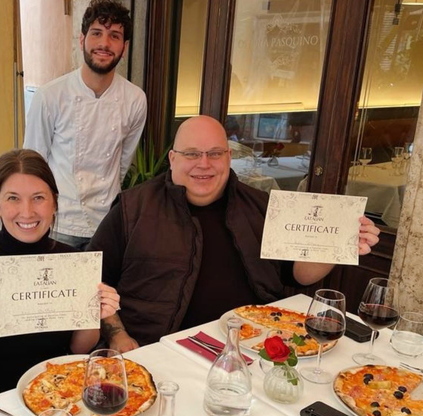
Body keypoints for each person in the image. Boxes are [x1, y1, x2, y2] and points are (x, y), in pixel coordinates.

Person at [88, 115, 381, 352]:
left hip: (254, 345)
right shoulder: (132, 208)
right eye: (192, 154)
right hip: (161, 349)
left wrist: (337, 243)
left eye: (215, 153)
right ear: (173, 158)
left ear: (229, 157)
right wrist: (117, 336)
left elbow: (298, 275)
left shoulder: (262, 205)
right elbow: (92, 281)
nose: (204, 164)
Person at [0, 149, 120, 398]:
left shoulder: (73, 263)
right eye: (13, 198)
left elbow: (78, 347)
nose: (27, 212)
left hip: (57, 391)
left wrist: (95, 314)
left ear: (54, 203)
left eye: (38, 198)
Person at [23, 0, 147, 250]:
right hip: (59, 223)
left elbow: (122, 164)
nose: (104, 43)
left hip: (107, 224)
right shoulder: (50, 96)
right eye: (97, 33)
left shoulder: (135, 100)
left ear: (124, 47)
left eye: (115, 36)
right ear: (82, 40)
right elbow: (33, 164)